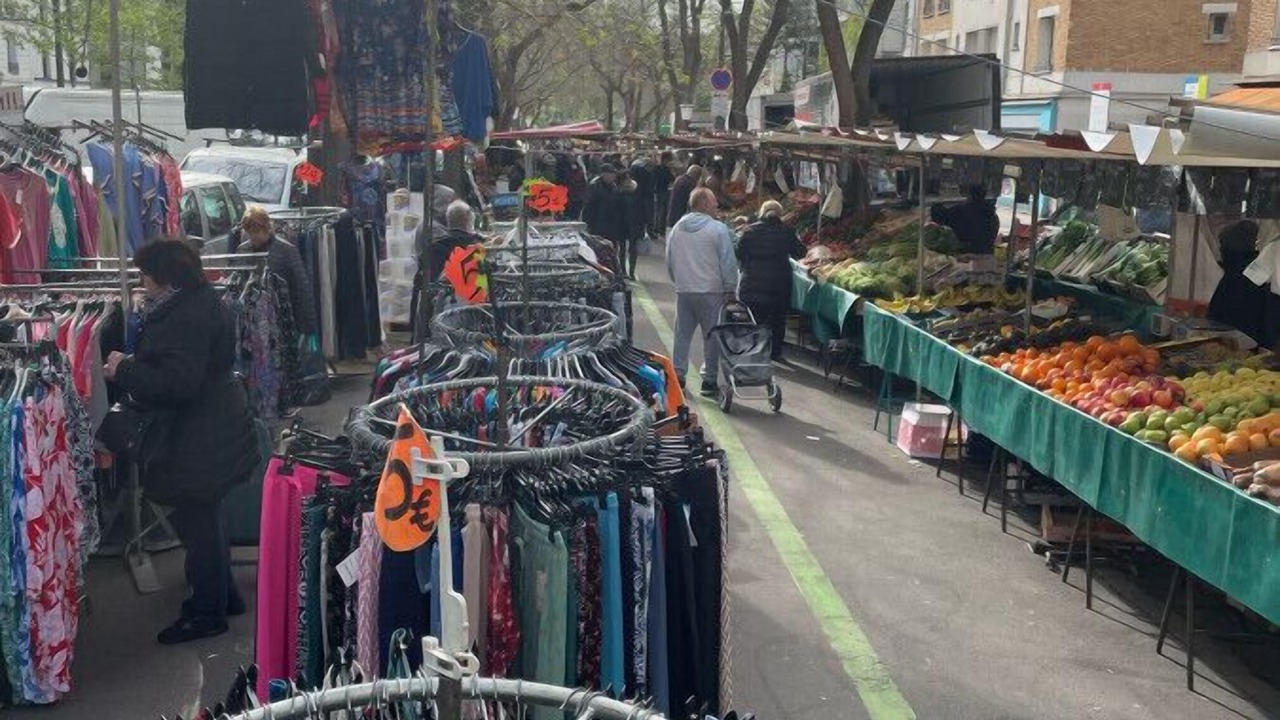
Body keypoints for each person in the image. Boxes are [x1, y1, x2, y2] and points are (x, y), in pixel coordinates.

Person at [104, 239, 259, 644]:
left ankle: (206, 612)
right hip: (215, 426)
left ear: (165, 276)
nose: (141, 282)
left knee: (197, 522)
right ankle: (222, 597)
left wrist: (125, 369)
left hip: (199, 435)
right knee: (206, 515)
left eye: (144, 274)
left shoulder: (183, 316)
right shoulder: (202, 302)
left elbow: (178, 382)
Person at [666, 187, 739, 396]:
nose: (717, 206)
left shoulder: (677, 228)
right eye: (714, 202)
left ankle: (678, 377)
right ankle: (708, 381)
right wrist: (730, 288)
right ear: (705, 204)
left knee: (682, 335)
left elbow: (669, 259)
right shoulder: (718, 229)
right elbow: (728, 262)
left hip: (685, 290)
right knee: (711, 336)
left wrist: (678, 280)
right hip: (711, 292)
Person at [737, 200, 806, 362]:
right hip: (778, 286)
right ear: (780, 214)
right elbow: (800, 252)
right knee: (777, 320)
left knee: (755, 319)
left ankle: (753, 350)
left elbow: (739, 254)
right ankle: (775, 353)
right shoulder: (787, 231)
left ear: (762, 213)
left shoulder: (750, 231)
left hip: (752, 284)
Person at [235, 207, 317, 337]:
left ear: (266, 228)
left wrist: (308, 328)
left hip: (282, 321)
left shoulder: (286, 250)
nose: (253, 236)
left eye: (256, 231)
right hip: (251, 321)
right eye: (250, 232)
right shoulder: (242, 251)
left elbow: (301, 290)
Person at [1209, 220, 1276, 348]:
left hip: (1238, 344)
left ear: (1230, 248)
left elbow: (1223, 315)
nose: (1220, 250)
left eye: (1222, 245)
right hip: (1254, 343)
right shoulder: (1257, 269)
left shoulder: (1238, 276)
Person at [930, 183, 1000, 270]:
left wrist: (936, 200)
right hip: (988, 258)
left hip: (966, 260)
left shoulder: (962, 212)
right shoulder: (992, 215)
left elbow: (939, 217)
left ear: (969, 195)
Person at [429, 200, 485, 281]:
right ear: (469, 220)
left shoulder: (435, 246)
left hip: (440, 290)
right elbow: (484, 278)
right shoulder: (475, 246)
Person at [582, 164, 630, 255]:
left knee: (611, 251)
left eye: (614, 174)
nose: (613, 176)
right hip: (598, 226)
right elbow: (588, 207)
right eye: (610, 174)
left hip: (612, 226)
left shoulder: (613, 187)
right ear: (603, 174)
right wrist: (588, 225)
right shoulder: (595, 186)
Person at [667, 164, 704, 229]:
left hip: (673, 212)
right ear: (696, 175)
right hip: (682, 214)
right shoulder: (690, 183)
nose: (698, 178)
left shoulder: (679, 178)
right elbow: (693, 199)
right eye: (699, 176)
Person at [652, 152, 675, 238]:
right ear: (665, 159)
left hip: (662, 191)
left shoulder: (662, 168)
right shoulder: (660, 169)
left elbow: (671, 178)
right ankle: (658, 229)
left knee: (661, 210)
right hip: (660, 191)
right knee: (660, 210)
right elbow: (671, 179)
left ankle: (659, 229)